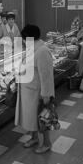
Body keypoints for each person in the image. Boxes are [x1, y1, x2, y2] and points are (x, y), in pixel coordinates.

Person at [15, 25, 55, 154]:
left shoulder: (42, 51)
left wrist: (46, 95)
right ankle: (34, 138)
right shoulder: (31, 48)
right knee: (32, 119)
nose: (23, 41)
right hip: (28, 91)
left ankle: (47, 143)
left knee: (42, 119)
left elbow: (46, 76)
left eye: (24, 38)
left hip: (37, 92)